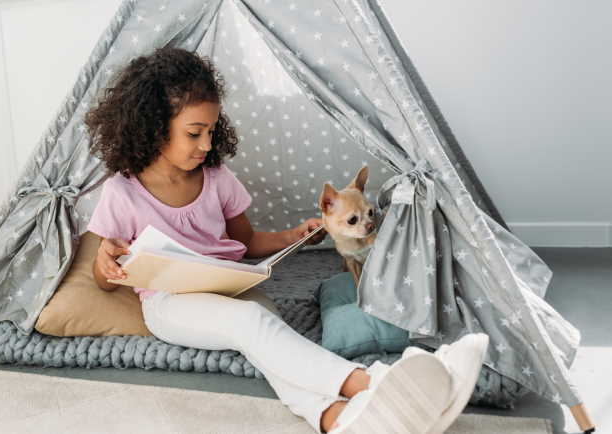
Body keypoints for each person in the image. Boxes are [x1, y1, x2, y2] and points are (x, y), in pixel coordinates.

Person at [84, 46, 487, 433]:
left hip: (233, 290)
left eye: (211, 130)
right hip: (169, 304)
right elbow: (104, 278)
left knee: (272, 344)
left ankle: (338, 419)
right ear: (155, 127)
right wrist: (106, 262)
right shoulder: (123, 192)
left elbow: (247, 243)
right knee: (253, 323)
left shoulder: (217, 179)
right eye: (194, 133)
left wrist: (293, 237)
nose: (206, 145)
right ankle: (379, 384)